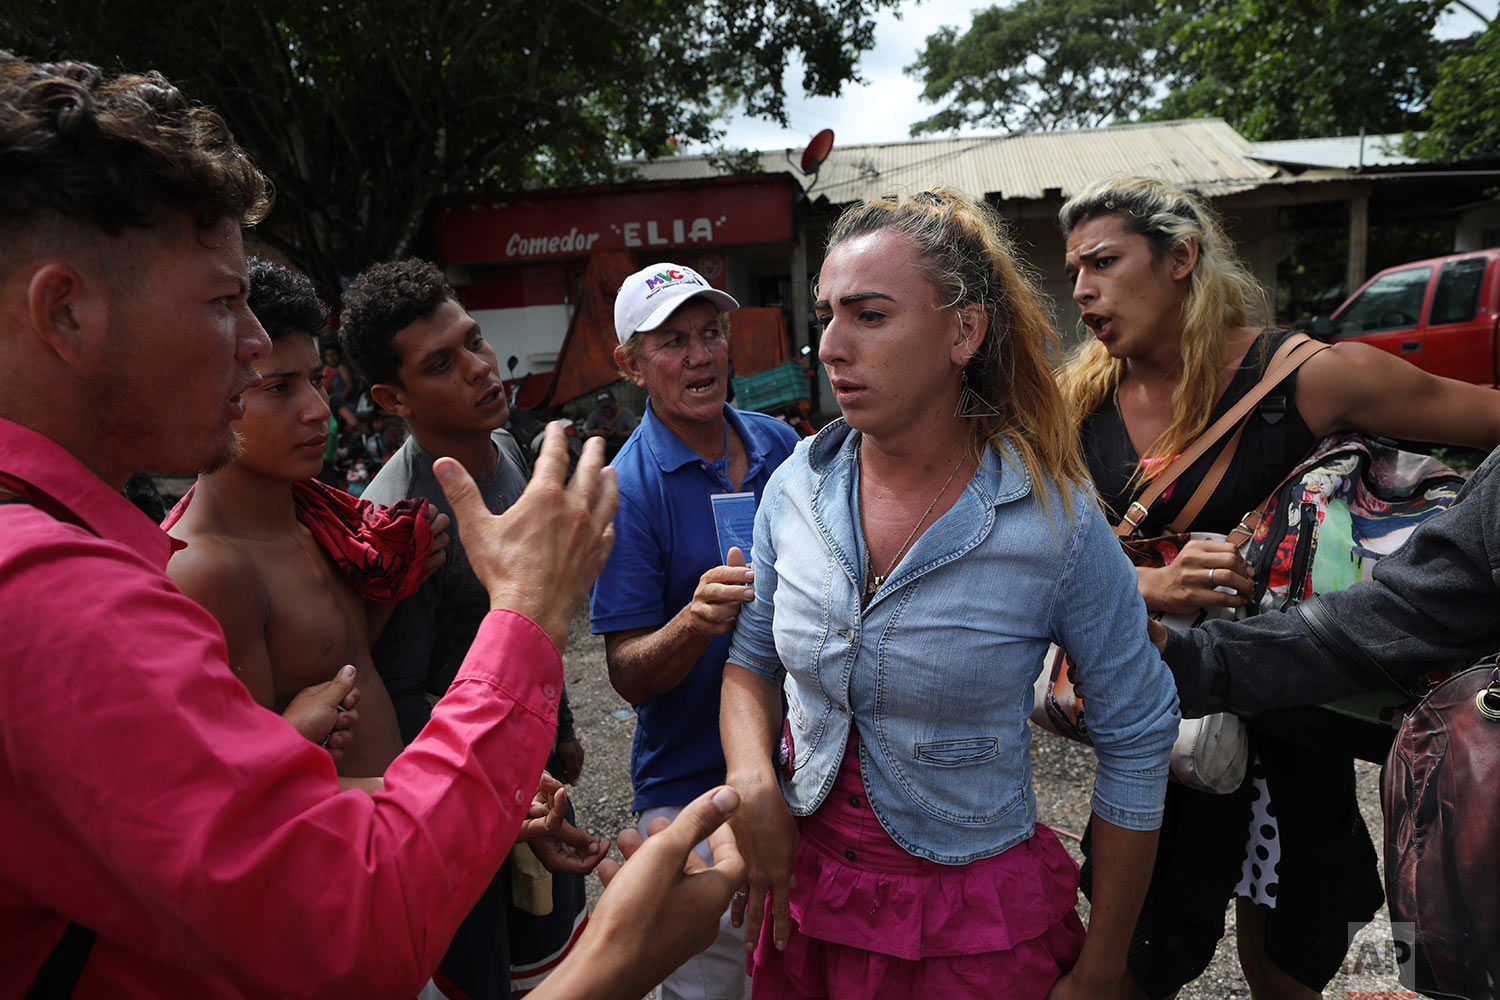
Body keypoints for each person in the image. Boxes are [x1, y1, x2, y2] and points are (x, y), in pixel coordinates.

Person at [0, 50, 740, 998]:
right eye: (225, 303)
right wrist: (622, 953)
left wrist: (494, 793)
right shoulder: (58, 598)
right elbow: (346, 919)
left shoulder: (122, 551)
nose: (259, 345)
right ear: (67, 312)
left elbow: (262, 830)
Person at [721, 188, 1181, 999]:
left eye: (869, 315)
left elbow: (1138, 731)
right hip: (806, 904)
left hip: (970, 930)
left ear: (963, 331)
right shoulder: (795, 484)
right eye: (826, 315)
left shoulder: (1052, 518)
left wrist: (1105, 964)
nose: (830, 346)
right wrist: (755, 781)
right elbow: (752, 660)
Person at [1055, 175, 1500, 999]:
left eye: (1105, 263)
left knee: (1291, 967)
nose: (1081, 290)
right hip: (1161, 732)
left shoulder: (1310, 378)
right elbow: (1020, 550)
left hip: (1304, 719)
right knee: (1131, 962)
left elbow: (1484, 418)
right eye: (1074, 269)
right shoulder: (1070, 405)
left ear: (1182, 256)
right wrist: (1142, 585)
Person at [342, 256, 596, 997]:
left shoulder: (509, 451)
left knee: (551, 963)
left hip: (531, 774)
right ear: (393, 396)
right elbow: (400, 691)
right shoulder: (400, 520)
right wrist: (506, 787)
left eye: (475, 342)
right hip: (458, 804)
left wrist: (564, 728)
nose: (482, 369)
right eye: (442, 364)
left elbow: (530, 617)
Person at [590, 260, 800, 999]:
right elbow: (626, 673)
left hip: (809, 775)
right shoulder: (628, 489)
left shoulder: (785, 450)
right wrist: (692, 623)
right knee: (714, 980)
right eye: (672, 341)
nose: (700, 356)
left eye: (710, 332)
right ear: (632, 365)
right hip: (693, 788)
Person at [163, 257, 422, 783]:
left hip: (398, 838)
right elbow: (248, 796)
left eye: (316, 381)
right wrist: (442, 798)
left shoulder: (322, 521)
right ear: (213, 393)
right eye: (279, 388)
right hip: (346, 848)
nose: (317, 410)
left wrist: (395, 578)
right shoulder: (209, 568)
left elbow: (345, 661)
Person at [583, 388, 639, 461]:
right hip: (603, 450)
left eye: (609, 406)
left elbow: (635, 432)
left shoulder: (626, 414)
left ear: (614, 401)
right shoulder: (595, 415)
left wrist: (618, 434)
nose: (607, 410)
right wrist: (597, 432)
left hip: (623, 449)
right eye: (604, 407)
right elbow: (585, 433)